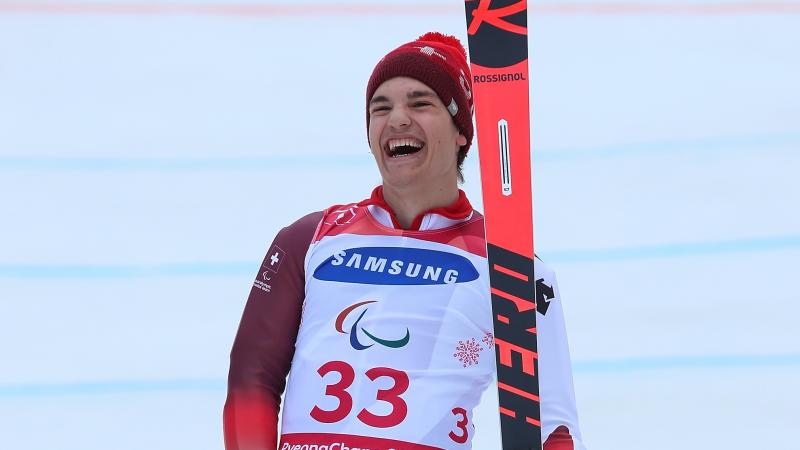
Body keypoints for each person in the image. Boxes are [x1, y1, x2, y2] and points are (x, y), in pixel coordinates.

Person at [224, 32, 585, 450]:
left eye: (420, 103)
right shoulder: (310, 237)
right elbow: (251, 381)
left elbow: (552, 426)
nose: (396, 119)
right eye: (381, 107)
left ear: (460, 133)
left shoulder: (509, 263)